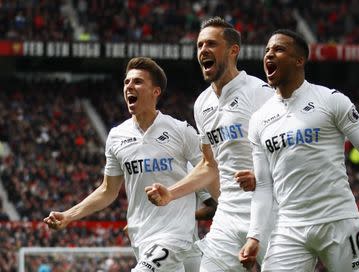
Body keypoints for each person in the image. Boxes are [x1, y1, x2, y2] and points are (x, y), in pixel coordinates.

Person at [239, 29, 359, 271]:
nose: (269, 54)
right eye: (267, 51)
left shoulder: (331, 100)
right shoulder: (259, 119)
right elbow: (263, 185)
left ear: (299, 60)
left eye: (279, 49)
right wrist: (255, 236)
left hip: (338, 220)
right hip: (288, 227)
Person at [43, 57, 203, 272]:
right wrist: (69, 215)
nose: (129, 86)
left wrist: (227, 208)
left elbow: (207, 170)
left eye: (137, 82)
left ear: (156, 91)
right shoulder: (117, 136)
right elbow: (108, 190)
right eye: (126, 82)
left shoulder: (181, 131)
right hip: (141, 235)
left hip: (176, 234)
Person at [147, 17, 275, 271]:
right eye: (199, 45)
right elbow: (209, 165)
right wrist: (172, 193)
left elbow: (286, 154)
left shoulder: (260, 93)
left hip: (270, 214)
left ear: (233, 50)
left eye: (211, 44)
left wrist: (261, 175)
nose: (203, 50)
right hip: (227, 218)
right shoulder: (202, 104)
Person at [183, 189, 217, 272]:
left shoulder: (191, 178)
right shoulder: (146, 178)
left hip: (189, 252)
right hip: (150, 242)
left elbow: (213, 207)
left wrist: (183, 215)